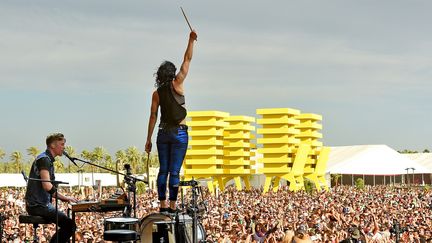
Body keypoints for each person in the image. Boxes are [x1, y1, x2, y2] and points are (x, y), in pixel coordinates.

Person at [145, 30, 198, 213]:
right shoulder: (178, 82)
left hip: (162, 132)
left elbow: (153, 116)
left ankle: (162, 205)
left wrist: (148, 139)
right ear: (172, 73)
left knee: (163, 170)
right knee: (174, 171)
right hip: (179, 132)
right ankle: (173, 205)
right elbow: (187, 59)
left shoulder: (156, 93)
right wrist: (191, 41)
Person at [24, 133, 78, 243]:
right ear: (52, 145)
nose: (64, 147)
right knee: (70, 225)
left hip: (40, 204)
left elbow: (49, 188)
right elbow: (47, 186)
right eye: (62, 144)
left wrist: (66, 198)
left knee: (68, 224)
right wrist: (66, 198)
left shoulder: (47, 159)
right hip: (37, 205)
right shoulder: (44, 159)